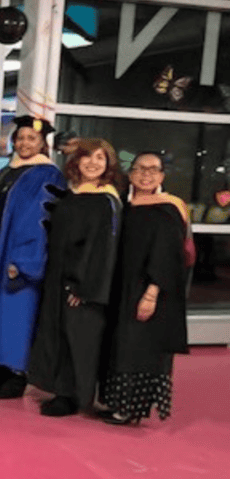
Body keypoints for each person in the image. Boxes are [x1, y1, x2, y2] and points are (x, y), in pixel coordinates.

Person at [27, 138, 122, 417]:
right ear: (76, 161)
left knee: (78, 340)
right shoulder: (74, 194)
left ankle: (73, 396)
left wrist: (84, 287)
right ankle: (60, 390)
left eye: (100, 158)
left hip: (83, 284)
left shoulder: (106, 200)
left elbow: (102, 250)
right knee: (59, 336)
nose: (92, 163)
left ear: (108, 165)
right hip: (59, 276)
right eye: (87, 157)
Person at [0, 116, 66, 400]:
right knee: (1, 312)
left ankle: (18, 373)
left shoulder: (48, 175)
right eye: (21, 138)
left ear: (42, 143)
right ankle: (3, 367)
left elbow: (38, 221)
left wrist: (23, 259)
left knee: (19, 314)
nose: (25, 143)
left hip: (20, 256)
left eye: (32, 139)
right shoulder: (5, 173)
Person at [99, 151, 193, 425]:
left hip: (148, 289)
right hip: (124, 287)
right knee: (123, 346)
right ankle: (119, 403)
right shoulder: (126, 206)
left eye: (153, 169)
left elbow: (167, 257)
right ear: (130, 174)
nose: (146, 174)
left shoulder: (167, 209)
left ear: (162, 176)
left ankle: (131, 409)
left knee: (138, 349)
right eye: (140, 168)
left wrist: (151, 293)